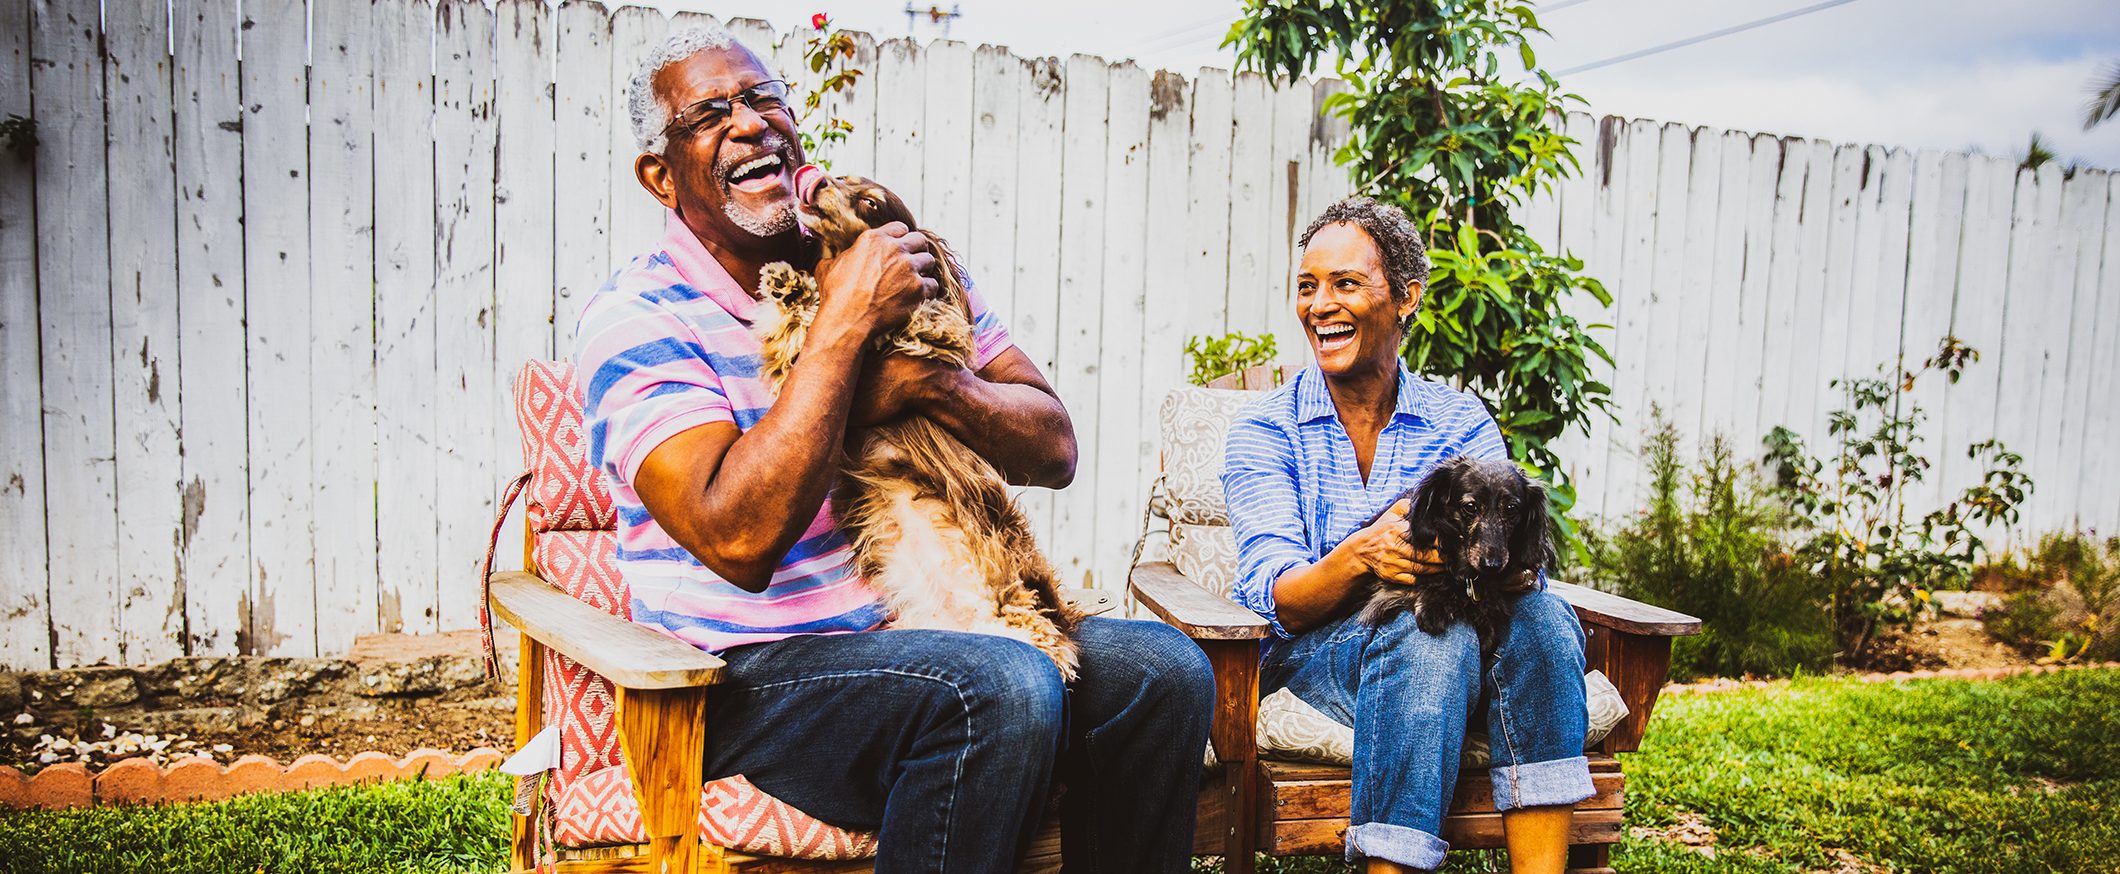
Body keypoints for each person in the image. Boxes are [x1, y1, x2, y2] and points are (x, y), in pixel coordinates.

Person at [572, 23, 1213, 873]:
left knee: (1165, 672)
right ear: (661, 175)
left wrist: (932, 384)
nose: (753, 123)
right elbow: (739, 538)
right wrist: (846, 324)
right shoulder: (637, 321)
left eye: (766, 99)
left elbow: (1053, 448)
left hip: (942, 622)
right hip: (751, 677)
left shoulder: (888, 259)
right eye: (712, 114)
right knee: (994, 687)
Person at [1220, 197, 1592, 873]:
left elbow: (1511, 556)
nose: (1320, 304)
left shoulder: (1458, 422)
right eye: (1307, 286)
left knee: (1542, 617)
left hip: (1472, 647)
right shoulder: (1265, 430)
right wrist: (1362, 555)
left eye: (1346, 283)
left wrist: (1508, 564)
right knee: (1430, 630)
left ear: (1407, 297)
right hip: (1318, 658)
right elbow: (1281, 598)